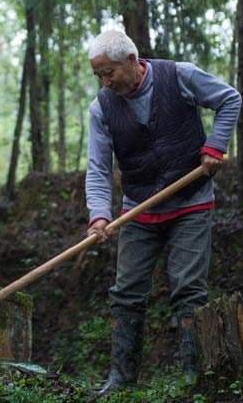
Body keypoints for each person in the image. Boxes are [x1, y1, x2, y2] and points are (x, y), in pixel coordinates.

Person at [85, 29, 241, 396]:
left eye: (109, 73)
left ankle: (194, 379)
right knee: (126, 293)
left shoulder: (179, 76)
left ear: (131, 61)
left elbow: (230, 99)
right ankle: (121, 380)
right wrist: (98, 215)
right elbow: (97, 169)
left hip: (191, 200)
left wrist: (215, 147)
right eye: (99, 76)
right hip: (138, 208)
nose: (106, 82)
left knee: (188, 291)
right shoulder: (101, 108)